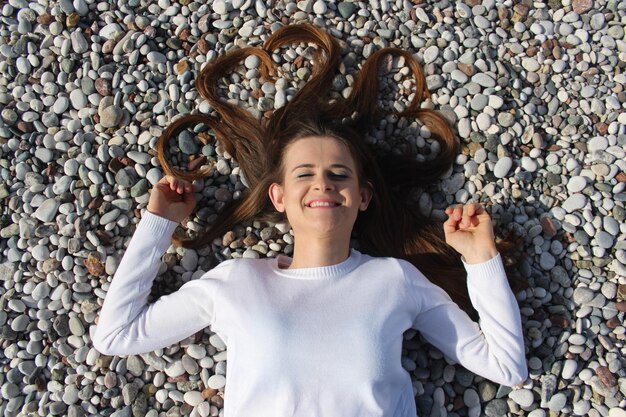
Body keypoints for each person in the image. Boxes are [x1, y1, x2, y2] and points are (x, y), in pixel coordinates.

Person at [92, 23, 527, 417]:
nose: (323, 185)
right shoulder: (236, 283)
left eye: (339, 175)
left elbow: (506, 366)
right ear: (278, 197)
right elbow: (116, 336)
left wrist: (480, 258)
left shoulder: (396, 280)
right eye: (305, 174)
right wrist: (157, 224)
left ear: (362, 198)